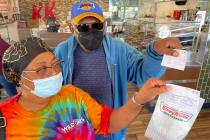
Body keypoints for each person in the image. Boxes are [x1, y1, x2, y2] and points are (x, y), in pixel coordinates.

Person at [54, 0, 181, 139]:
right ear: (72, 28)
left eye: (97, 25)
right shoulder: (62, 52)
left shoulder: (119, 49)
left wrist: (155, 53)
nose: (91, 31)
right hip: (74, 129)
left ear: (104, 25)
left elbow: (143, 75)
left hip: (111, 126)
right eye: (83, 27)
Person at [0, 37, 170, 139]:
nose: (53, 73)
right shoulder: (5, 121)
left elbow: (109, 123)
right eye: (41, 69)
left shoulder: (72, 95)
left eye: (56, 64)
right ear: (18, 78)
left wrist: (139, 99)